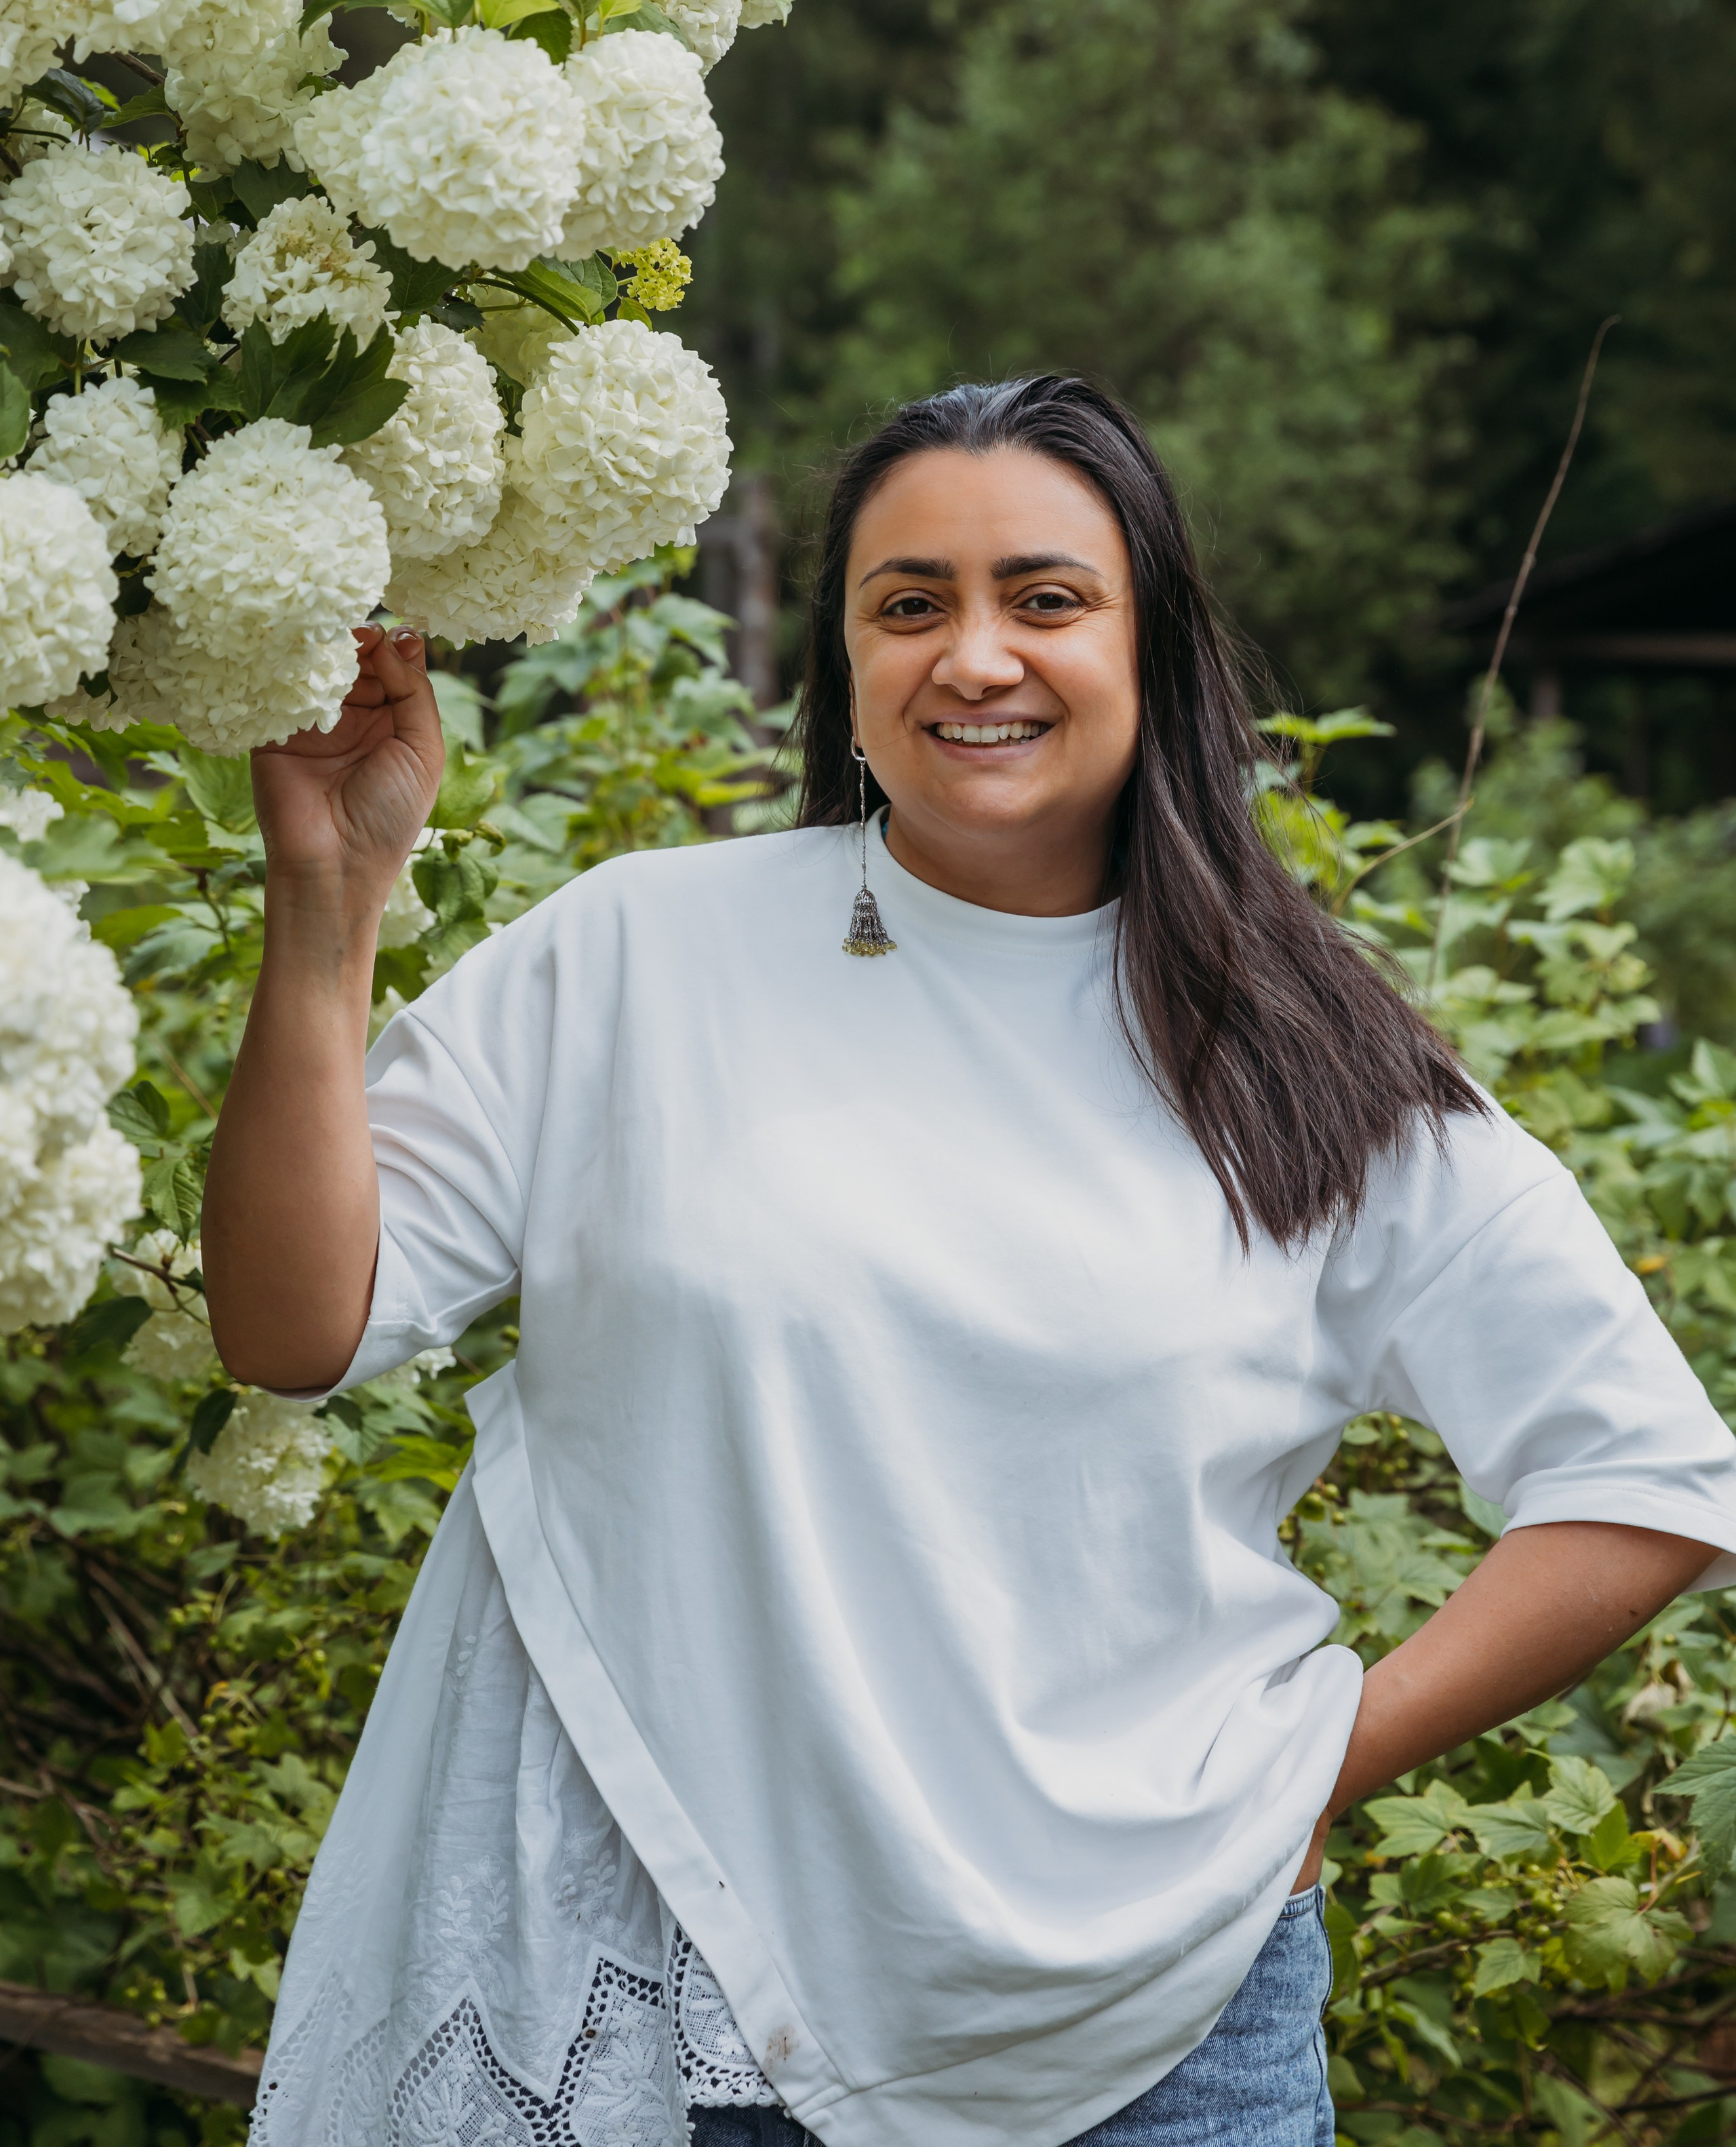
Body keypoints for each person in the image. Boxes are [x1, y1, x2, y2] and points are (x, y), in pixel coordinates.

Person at [206, 376, 1736, 2147]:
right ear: (844, 665)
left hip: (1171, 2034)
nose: (976, 656)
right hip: (693, 2022)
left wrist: (1327, 1760)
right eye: (911, 603)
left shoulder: (1310, 1060)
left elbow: (1644, 1478)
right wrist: (328, 907)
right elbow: (292, 1327)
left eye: (1047, 598)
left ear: (1154, 651)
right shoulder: (639, 956)